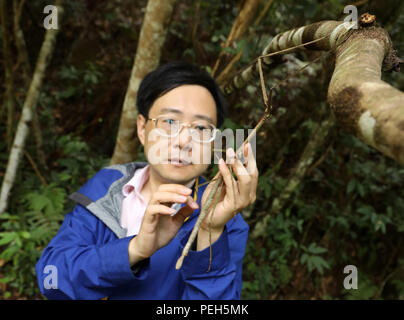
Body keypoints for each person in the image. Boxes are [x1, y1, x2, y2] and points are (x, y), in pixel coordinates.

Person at [35, 61, 258, 300]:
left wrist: (209, 233)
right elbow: (52, 280)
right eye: (170, 122)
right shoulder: (108, 187)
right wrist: (135, 250)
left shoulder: (224, 220)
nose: (184, 140)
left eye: (201, 128)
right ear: (142, 128)